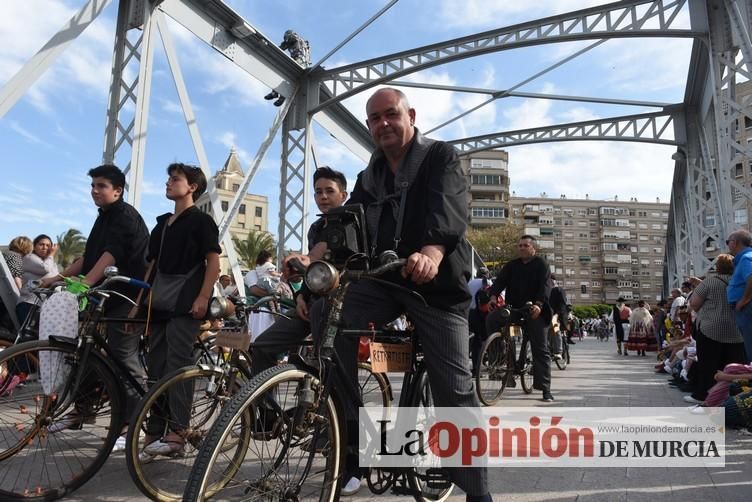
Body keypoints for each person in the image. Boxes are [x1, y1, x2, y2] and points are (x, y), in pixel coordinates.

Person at [311, 88, 488, 500]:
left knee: (455, 389)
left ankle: (478, 492)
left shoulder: (439, 156)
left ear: (410, 115)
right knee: (327, 315)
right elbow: (345, 223)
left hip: (434, 287)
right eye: (374, 119)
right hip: (385, 279)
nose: (382, 124)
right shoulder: (368, 176)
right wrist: (315, 259)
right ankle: (351, 435)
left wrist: (433, 250)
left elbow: (450, 208)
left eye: (390, 114)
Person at [43, 164, 149, 452]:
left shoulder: (125, 217)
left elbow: (111, 254)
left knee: (122, 359)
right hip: (101, 297)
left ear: (118, 190)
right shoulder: (102, 217)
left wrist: (87, 282)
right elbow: (90, 256)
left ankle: (132, 424)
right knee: (84, 353)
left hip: (124, 299)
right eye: (93, 186)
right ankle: (83, 411)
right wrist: (58, 277)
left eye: (101, 186)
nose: (94, 191)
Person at [138, 163, 221, 459]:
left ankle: (178, 433)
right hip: (159, 302)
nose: (168, 183)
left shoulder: (201, 222)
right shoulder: (162, 224)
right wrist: (140, 303)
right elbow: (152, 266)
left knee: (178, 365)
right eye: (169, 178)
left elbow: (214, 263)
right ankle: (154, 429)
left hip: (185, 302)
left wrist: (202, 297)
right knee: (156, 366)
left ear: (192, 187)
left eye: (175, 179)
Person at [486, 235, 553, 403]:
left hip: (535, 310)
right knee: (492, 319)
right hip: (514, 309)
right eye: (520, 245)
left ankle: (545, 388)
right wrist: (493, 297)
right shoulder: (512, 265)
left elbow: (546, 286)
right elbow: (499, 282)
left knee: (540, 347)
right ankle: (500, 361)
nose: (522, 248)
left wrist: (539, 304)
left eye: (525, 245)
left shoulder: (541, 264)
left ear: (533, 248)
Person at [685, 254, 746, 404]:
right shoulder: (741, 283)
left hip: (710, 329)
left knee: (708, 365)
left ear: (717, 267)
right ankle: (731, 397)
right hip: (736, 331)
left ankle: (703, 396)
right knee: (732, 366)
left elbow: (694, 304)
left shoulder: (710, 282)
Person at [16, 234, 59, 327]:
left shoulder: (51, 263)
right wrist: (51, 255)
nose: (45, 247)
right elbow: (45, 269)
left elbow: (57, 277)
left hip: (44, 306)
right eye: (41, 244)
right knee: (27, 337)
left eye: (48, 245)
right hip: (28, 303)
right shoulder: (29, 258)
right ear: (34, 247)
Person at [264, 29, 311, 106]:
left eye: (287, 38)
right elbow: (280, 48)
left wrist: (285, 42)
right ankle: (275, 92)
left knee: (287, 76)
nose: (286, 40)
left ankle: (282, 96)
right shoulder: (291, 42)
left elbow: (289, 42)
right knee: (281, 74)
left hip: (300, 62)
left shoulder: (297, 40)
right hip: (297, 61)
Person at [726, 229, 752, 361]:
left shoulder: (746, 258)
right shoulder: (744, 259)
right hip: (745, 308)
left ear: (735, 243)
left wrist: (744, 299)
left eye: (728, 242)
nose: (728, 245)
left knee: (750, 345)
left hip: (747, 309)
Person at [548, 274, 569, 357]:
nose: (550, 282)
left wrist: (556, 314)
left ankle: (558, 351)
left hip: (558, 315)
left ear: (554, 281)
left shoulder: (559, 290)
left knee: (556, 329)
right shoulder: (547, 291)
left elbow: (562, 304)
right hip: (549, 315)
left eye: (551, 280)